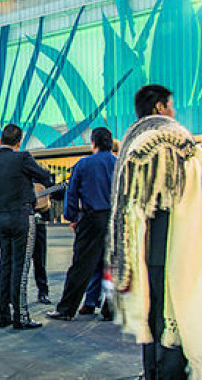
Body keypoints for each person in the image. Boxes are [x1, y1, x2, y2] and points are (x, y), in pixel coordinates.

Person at [109, 84, 202, 379]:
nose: (174, 111)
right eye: (171, 105)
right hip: (176, 245)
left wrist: (122, 262)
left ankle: (151, 372)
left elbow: (125, 206)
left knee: (151, 319)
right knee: (173, 316)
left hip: (143, 250)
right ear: (160, 107)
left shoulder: (131, 142)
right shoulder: (173, 140)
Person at [0, 123, 53, 329]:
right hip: (21, 217)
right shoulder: (22, 157)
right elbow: (44, 177)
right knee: (21, 267)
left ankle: (3, 314)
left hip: (1, 218)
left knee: (4, 266)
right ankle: (21, 316)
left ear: (0, 141)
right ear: (19, 141)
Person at [47, 127, 116, 322]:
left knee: (81, 265)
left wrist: (73, 217)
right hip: (113, 219)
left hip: (91, 219)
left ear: (93, 143)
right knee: (111, 265)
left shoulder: (84, 164)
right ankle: (110, 309)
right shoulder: (119, 164)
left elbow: (72, 194)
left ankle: (66, 309)